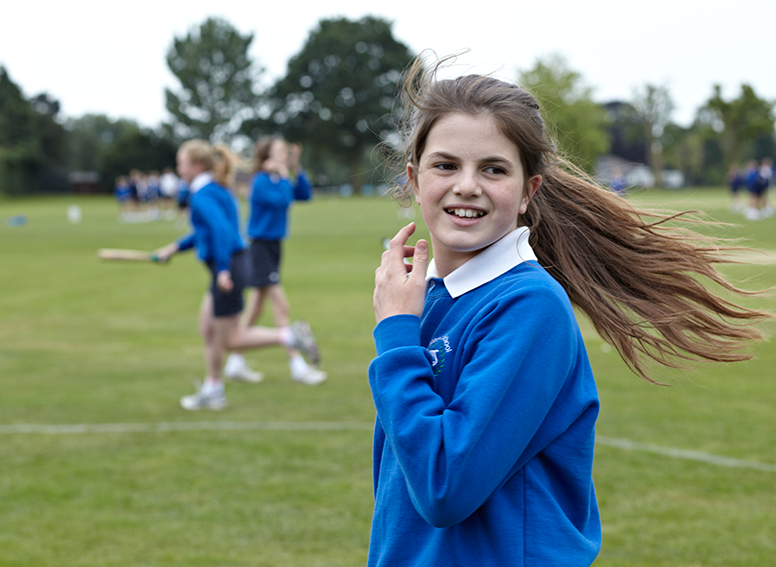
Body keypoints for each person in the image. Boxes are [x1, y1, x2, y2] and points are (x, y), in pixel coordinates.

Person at [368, 55, 771, 567]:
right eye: (446, 165)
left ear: (526, 192)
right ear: (414, 178)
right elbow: (400, 488)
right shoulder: (425, 298)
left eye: (493, 169)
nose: (466, 185)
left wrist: (398, 337)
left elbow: (444, 486)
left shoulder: (528, 307)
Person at [155, 139, 321, 410]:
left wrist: (221, 270)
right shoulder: (215, 189)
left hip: (228, 269)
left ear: (197, 166)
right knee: (208, 329)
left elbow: (221, 231)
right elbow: (205, 232)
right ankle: (213, 388)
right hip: (233, 264)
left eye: (180, 163)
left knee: (231, 338)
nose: (178, 169)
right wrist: (175, 247)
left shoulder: (204, 194)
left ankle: (289, 336)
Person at [237, 136, 326, 385]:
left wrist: (297, 168)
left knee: (255, 308)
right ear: (266, 156)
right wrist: (285, 176)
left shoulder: (278, 178)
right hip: (261, 246)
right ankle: (297, 366)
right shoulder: (261, 181)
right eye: (279, 151)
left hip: (273, 246)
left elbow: (305, 194)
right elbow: (283, 201)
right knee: (281, 306)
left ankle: (235, 360)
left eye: (286, 151)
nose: (284, 155)